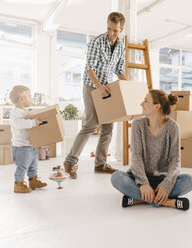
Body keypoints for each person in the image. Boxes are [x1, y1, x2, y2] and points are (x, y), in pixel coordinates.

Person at [63, 12, 127, 179]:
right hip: (92, 86)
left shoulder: (120, 47)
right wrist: (98, 87)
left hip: (108, 88)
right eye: (109, 28)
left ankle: (100, 164)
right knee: (91, 124)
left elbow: (119, 70)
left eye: (115, 30)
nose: (111, 33)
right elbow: (90, 68)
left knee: (108, 127)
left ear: (121, 29)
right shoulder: (96, 42)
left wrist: (129, 87)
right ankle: (70, 161)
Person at [111, 90, 192, 210]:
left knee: (190, 181)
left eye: (146, 101)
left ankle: (138, 200)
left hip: (163, 180)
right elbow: (136, 156)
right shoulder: (137, 124)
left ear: (157, 107)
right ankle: (166, 202)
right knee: (116, 177)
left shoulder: (173, 127)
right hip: (139, 179)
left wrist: (166, 185)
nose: (141, 104)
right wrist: (144, 183)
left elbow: (175, 161)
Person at [9, 85, 47, 193]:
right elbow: (18, 123)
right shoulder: (15, 112)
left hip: (30, 145)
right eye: (29, 96)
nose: (32, 99)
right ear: (21, 99)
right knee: (22, 166)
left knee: (33, 165)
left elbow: (28, 118)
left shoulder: (24, 111)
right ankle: (18, 184)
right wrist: (33, 123)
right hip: (21, 147)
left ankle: (33, 180)